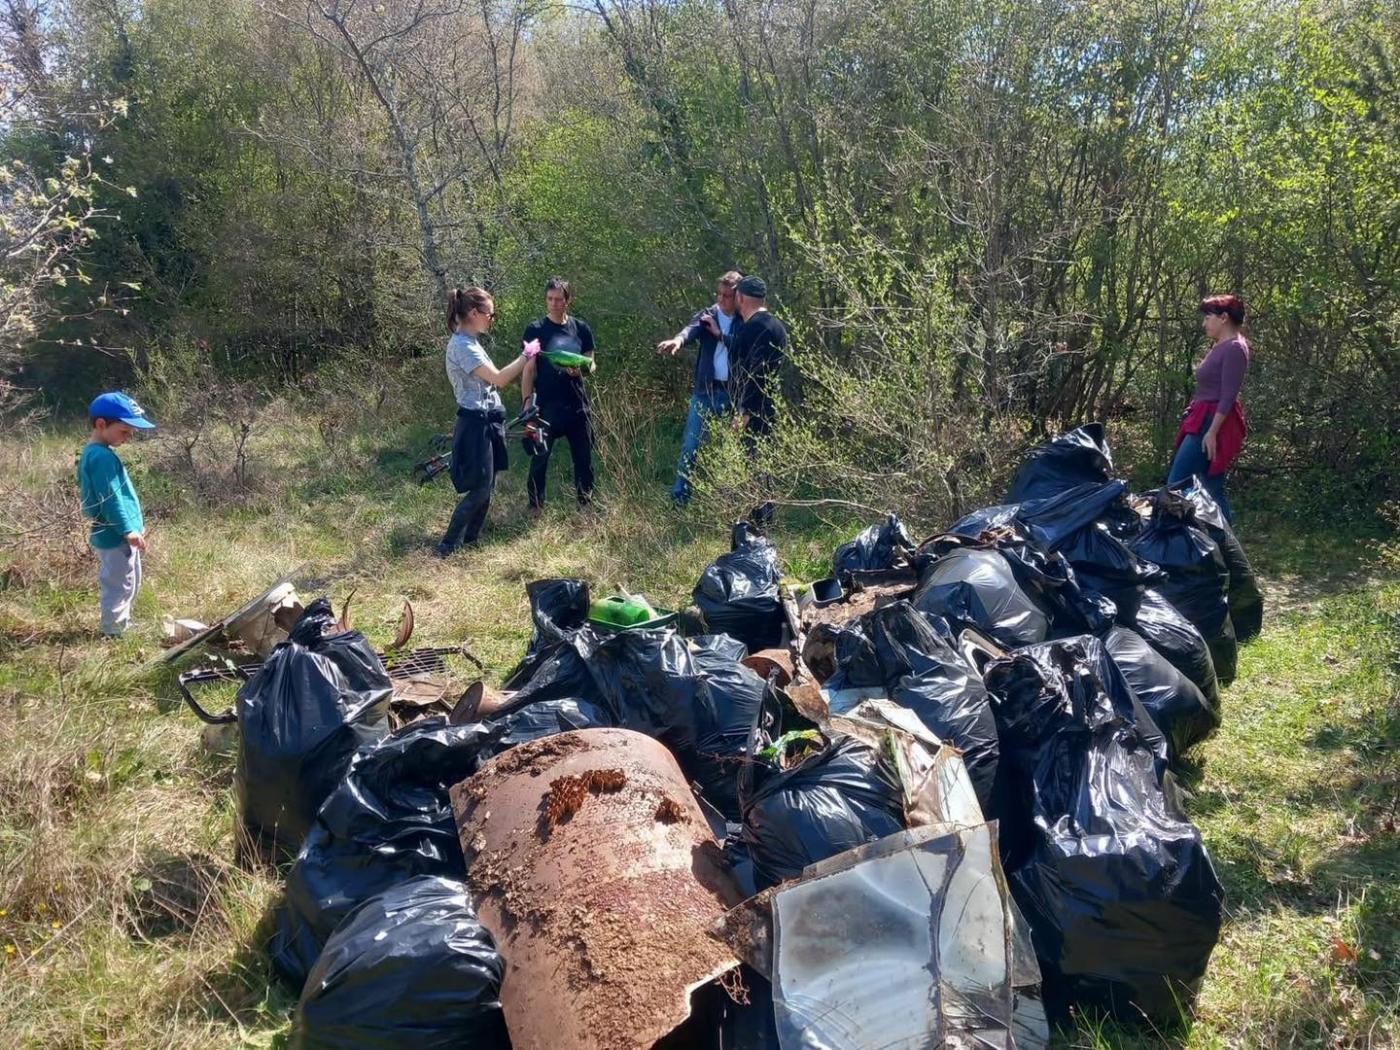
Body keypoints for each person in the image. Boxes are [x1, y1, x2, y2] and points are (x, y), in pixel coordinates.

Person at [437, 286, 539, 557]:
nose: (492, 320)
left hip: (489, 418)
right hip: (475, 423)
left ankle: (471, 542)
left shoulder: (472, 342)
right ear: (474, 313)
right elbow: (500, 379)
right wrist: (526, 356)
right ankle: (447, 544)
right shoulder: (462, 346)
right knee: (480, 488)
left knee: (488, 485)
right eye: (490, 315)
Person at [656, 270, 742, 504]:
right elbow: (690, 330)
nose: (722, 299)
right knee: (691, 445)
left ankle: (729, 499)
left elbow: (744, 348)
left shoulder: (745, 321)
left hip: (733, 394)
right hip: (705, 391)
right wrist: (677, 341)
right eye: (720, 294)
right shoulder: (708, 315)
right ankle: (680, 497)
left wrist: (719, 333)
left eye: (727, 296)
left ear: (738, 297)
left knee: (731, 449)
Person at [78, 391, 156, 637]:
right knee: (119, 585)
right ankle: (113, 632)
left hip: (118, 533)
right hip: (115, 535)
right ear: (101, 424)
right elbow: (110, 499)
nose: (128, 437)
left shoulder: (99, 453)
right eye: (125, 431)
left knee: (129, 582)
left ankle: (122, 624)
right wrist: (127, 529)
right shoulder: (100, 457)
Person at [1168, 294, 1250, 523]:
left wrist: (1212, 432)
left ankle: (1173, 543)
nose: (1204, 323)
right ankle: (1224, 548)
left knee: (1177, 483)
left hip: (1211, 423)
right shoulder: (1221, 346)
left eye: (1208, 318)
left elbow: (1228, 396)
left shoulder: (1235, 348)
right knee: (1211, 486)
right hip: (1202, 419)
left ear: (1223, 318)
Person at [521, 277, 596, 512]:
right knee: (539, 458)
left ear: (568, 300)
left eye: (558, 299)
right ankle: (535, 506)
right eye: (550, 299)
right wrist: (527, 405)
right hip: (546, 406)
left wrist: (581, 369)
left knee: (584, 460)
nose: (553, 304)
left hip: (577, 405)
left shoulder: (581, 328)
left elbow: (592, 363)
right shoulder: (535, 329)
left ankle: (585, 505)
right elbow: (529, 369)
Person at [717, 274, 787, 448]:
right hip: (770, 406)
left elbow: (757, 374)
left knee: (752, 466)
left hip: (755, 415)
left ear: (740, 298)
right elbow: (741, 347)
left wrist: (744, 412)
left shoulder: (755, 328)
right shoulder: (776, 325)